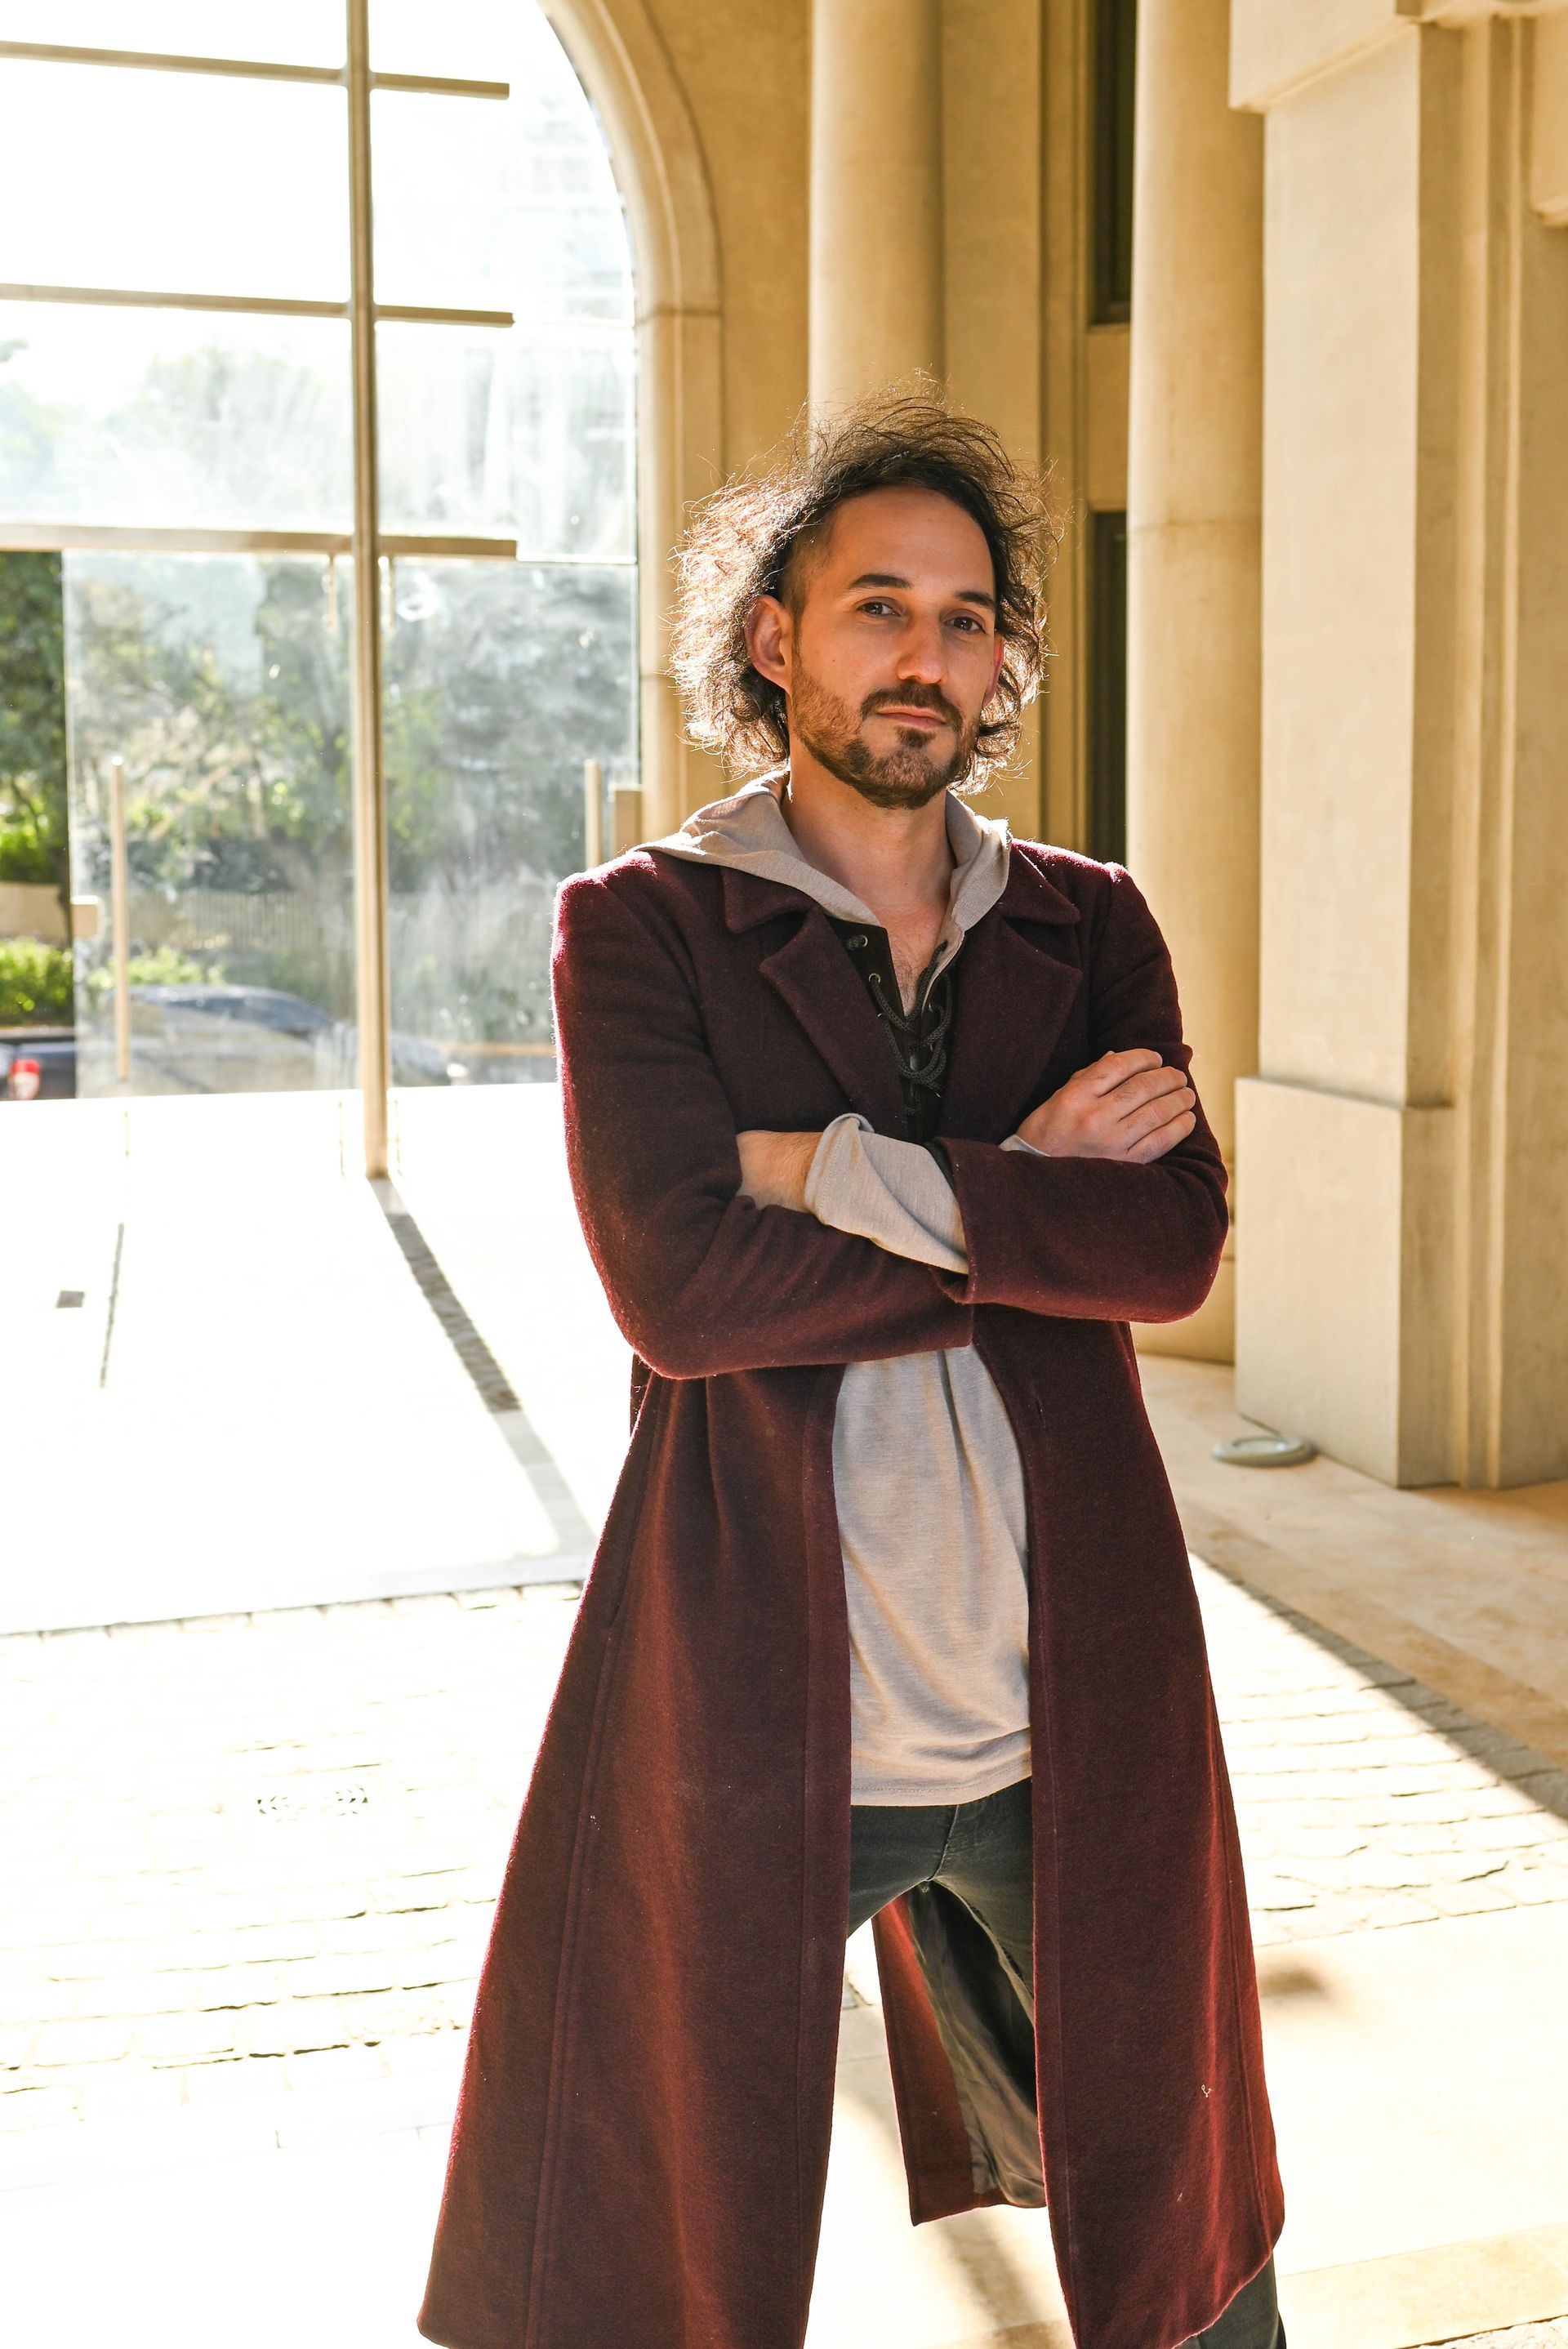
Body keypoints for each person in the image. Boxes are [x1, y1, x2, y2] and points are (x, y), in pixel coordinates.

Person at [418, 393, 1285, 2349]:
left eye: (968, 618)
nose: (928, 654)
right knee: (646, 2242)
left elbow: (1171, 1247)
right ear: (773, 637)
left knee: (1191, 2228)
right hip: (757, 1687)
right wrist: (1025, 1202)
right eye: (878, 604)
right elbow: (686, 1293)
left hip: (1078, 1699)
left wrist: (836, 1178)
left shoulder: (1089, 921)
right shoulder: (641, 930)